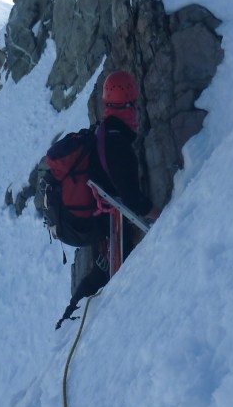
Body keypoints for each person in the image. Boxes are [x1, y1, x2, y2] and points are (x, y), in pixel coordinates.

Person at [56, 70, 159, 328]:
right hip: (106, 219)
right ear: (127, 104)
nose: (136, 109)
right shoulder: (117, 142)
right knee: (106, 273)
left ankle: (70, 317)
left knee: (101, 271)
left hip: (97, 215)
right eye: (133, 103)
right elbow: (131, 199)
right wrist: (160, 214)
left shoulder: (106, 130)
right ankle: (74, 319)